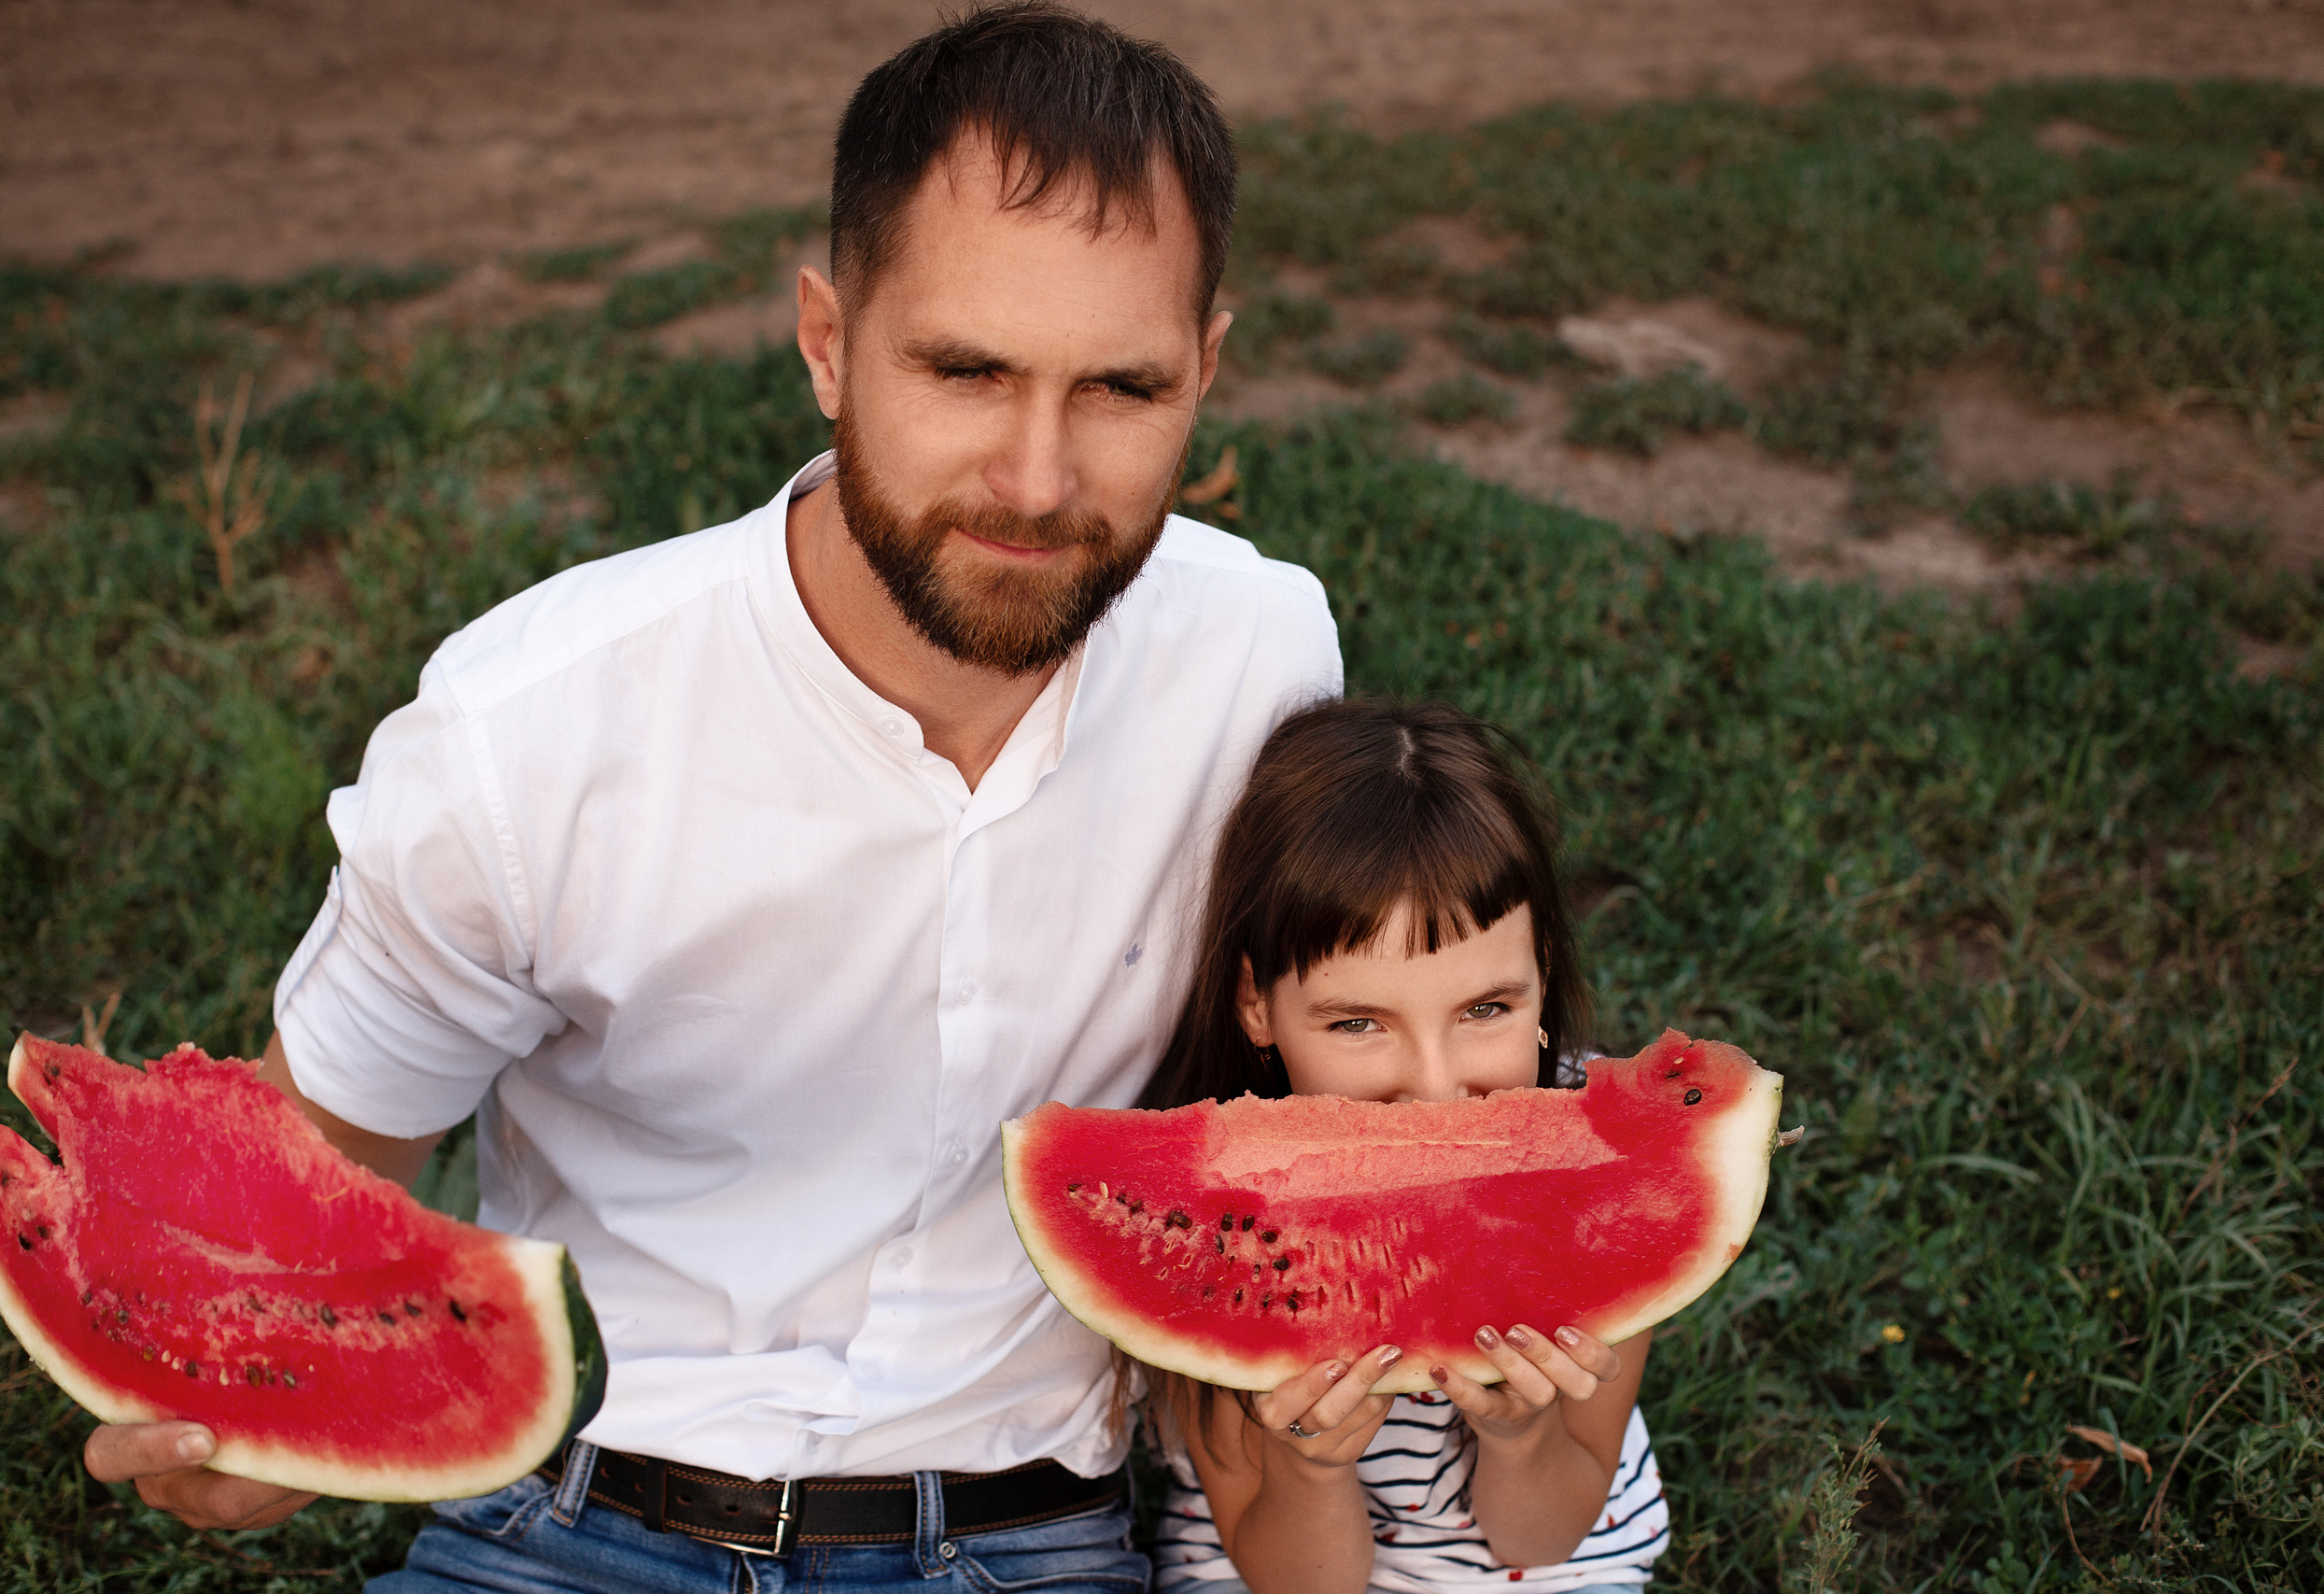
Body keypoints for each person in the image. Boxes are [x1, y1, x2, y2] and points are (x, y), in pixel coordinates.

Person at [80, 6, 1341, 1590]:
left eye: (1121, 389)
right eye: (965, 369)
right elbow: (305, 1175)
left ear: (1207, 371)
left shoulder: (1264, 661)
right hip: (577, 1525)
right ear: (826, 340)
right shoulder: (527, 732)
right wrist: (232, 1394)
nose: (1036, 478)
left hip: (1030, 1536)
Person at [1135, 699, 1669, 1594]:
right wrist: (1307, 1466)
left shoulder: (1605, 1167)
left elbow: (1541, 1537)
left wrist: (1523, 1433)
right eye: (1357, 1022)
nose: (1433, 1086)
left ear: (1542, 971)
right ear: (1256, 1003)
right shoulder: (1204, 1213)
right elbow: (1299, 1582)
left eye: (1486, 1008)